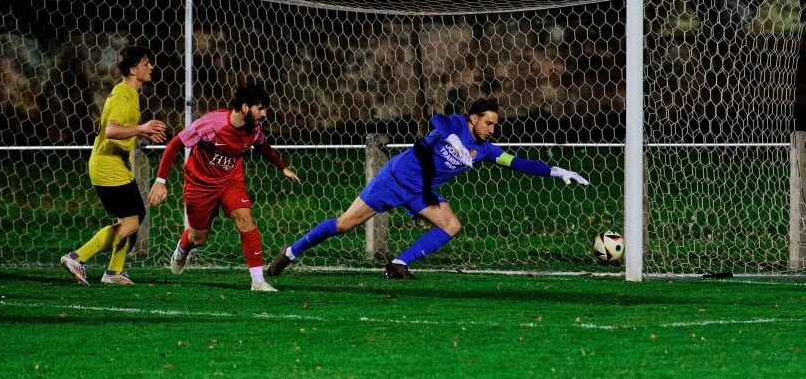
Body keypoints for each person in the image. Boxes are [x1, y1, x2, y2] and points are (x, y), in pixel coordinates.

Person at [266, 97, 589, 280]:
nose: (492, 129)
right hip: (394, 179)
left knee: (452, 225)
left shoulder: (488, 149)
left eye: (495, 124)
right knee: (344, 225)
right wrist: (451, 139)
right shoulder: (454, 125)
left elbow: (516, 162)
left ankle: (398, 264)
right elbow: (436, 122)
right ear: (473, 118)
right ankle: (290, 252)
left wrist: (556, 171)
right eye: (488, 122)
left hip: (422, 192)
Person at [148, 82, 301, 291]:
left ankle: (258, 281)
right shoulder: (211, 125)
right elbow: (175, 144)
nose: (264, 114)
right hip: (200, 184)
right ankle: (184, 246)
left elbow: (263, 146)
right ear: (245, 107)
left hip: (231, 181)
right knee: (198, 238)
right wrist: (160, 182)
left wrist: (282, 167)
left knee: (245, 220)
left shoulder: (253, 130)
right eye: (260, 108)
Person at [60, 45, 167, 285]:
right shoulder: (123, 94)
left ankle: (113, 272)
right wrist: (142, 128)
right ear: (132, 69)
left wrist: (143, 134)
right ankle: (77, 257)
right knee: (131, 221)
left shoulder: (130, 93)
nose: (151, 67)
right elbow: (111, 130)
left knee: (132, 219)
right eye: (145, 63)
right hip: (107, 167)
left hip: (114, 165)